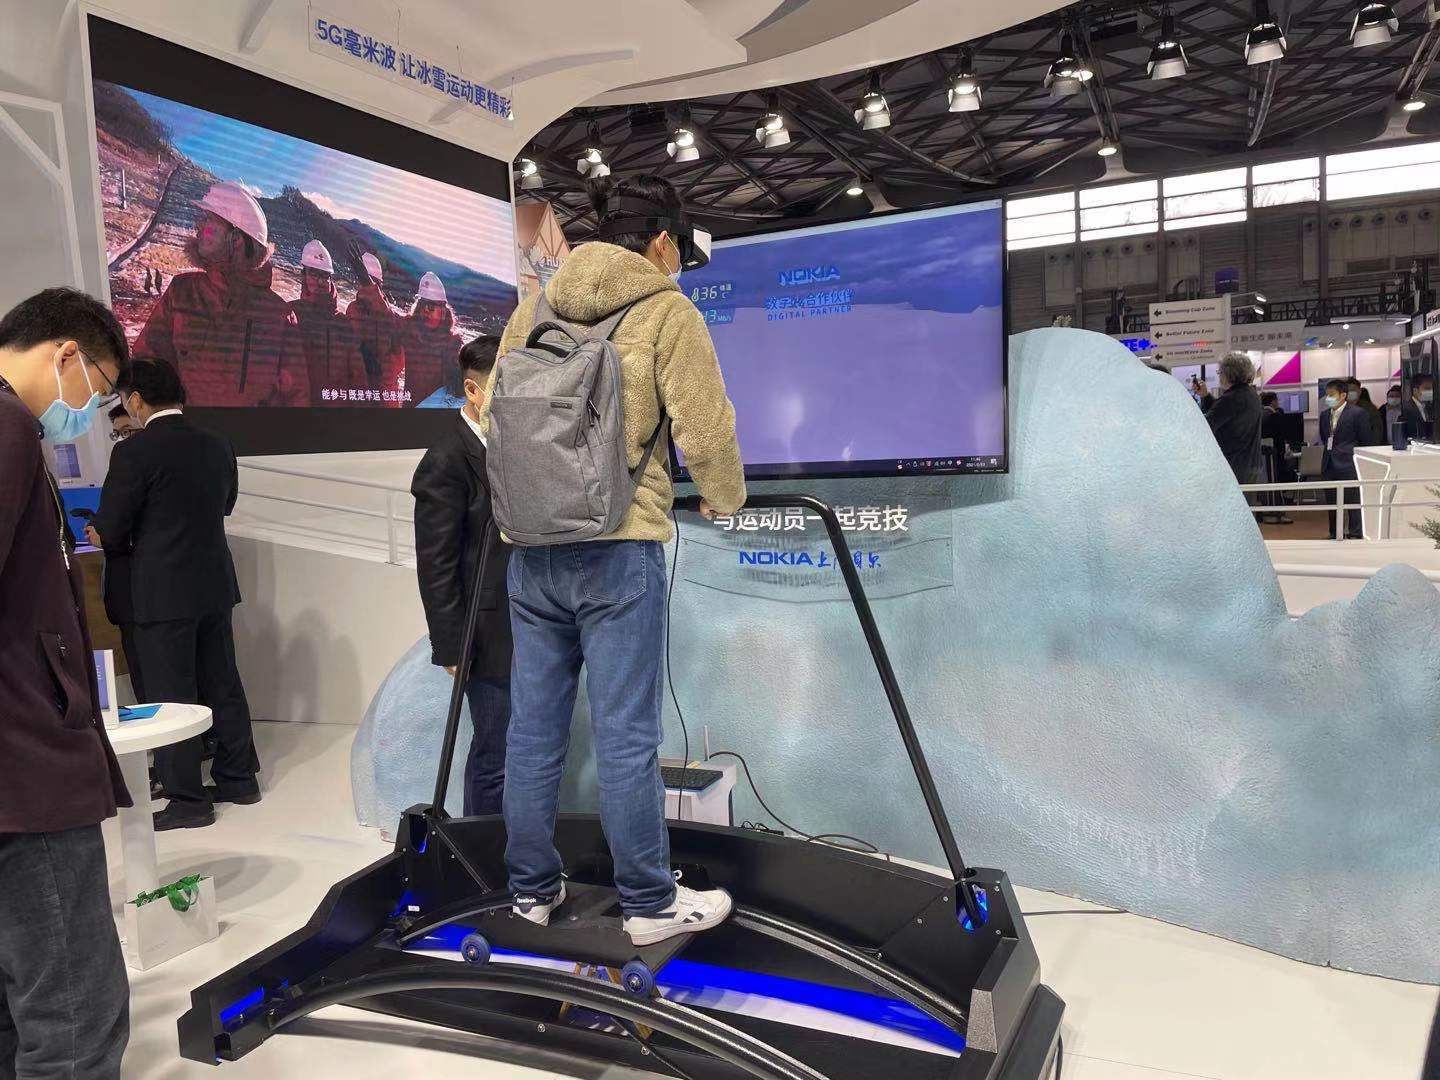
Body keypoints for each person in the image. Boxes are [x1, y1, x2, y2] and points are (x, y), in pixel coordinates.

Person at [484, 174, 746, 947]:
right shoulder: (667, 312)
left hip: (531, 551)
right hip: (618, 548)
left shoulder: (533, 309)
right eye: (679, 250)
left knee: (534, 732)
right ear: (661, 240)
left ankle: (531, 891)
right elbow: (705, 431)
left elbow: (496, 412)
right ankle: (649, 903)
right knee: (627, 737)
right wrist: (725, 500)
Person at [0, 287, 131, 1079]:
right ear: (67, 355)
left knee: (22, 1005)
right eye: (99, 388)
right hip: (27, 762)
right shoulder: (9, 426)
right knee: (75, 1014)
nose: (89, 410)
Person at [89, 358, 259, 830]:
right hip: (213, 585)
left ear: (135, 400)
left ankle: (187, 800)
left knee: (170, 695)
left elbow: (112, 527)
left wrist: (101, 533)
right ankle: (239, 779)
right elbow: (225, 505)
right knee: (223, 683)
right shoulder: (217, 442)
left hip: (159, 594)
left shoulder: (134, 452)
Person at [411, 336, 512, 816]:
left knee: (530, 746)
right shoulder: (446, 459)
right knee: (495, 750)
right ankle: (482, 845)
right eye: (504, 387)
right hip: (485, 632)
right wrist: (451, 645)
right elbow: (436, 561)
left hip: (531, 621)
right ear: (474, 391)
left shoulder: (515, 445)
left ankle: (524, 844)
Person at [132, 181, 308, 407]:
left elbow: (297, 397)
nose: (199, 227)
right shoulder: (182, 291)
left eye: (209, 221)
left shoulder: (280, 315)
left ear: (236, 238)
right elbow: (147, 364)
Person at [289, 240, 365, 407]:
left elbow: (358, 377)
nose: (320, 281)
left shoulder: (343, 324)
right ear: (304, 275)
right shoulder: (291, 314)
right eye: (313, 273)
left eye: (324, 275)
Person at [346, 252, 406, 405]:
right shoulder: (352, 309)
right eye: (363, 282)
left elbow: (395, 365)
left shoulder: (393, 318)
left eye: (371, 284)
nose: (365, 289)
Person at [403, 272, 464, 405]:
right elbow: (386, 315)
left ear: (442, 311)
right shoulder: (408, 330)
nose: (425, 310)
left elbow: (459, 389)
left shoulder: (452, 344)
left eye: (430, 306)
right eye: (422, 304)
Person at [1319, 377, 1369, 539]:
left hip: (1349, 464)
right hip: (1329, 463)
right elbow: (1325, 437)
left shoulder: (1357, 413)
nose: (1328, 398)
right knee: (1332, 501)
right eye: (1327, 395)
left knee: (1353, 500)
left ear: (1343, 395)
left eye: (1331, 395)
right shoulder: (1324, 415)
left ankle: (1356, 533)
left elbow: (1366, 441)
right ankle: (1335, 532)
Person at [1204, 352, 1263, 485]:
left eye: (1220, 372)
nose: (1219, 376)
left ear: (1229, 374)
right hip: (1250, 464)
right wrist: (1206, 396)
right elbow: (1223, 414)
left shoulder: (1230, 399)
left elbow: (1207, 425)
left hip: (1233, 465)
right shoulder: (1251, 395)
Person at [1348, 378, 1384, 444]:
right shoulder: (1340, 408)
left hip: (1365, 446)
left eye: (1353, 390)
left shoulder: (1370, 408)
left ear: (1359, 391)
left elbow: (1377, 429)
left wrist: (1372, 446)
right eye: (1348, 390)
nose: (1350, 392)